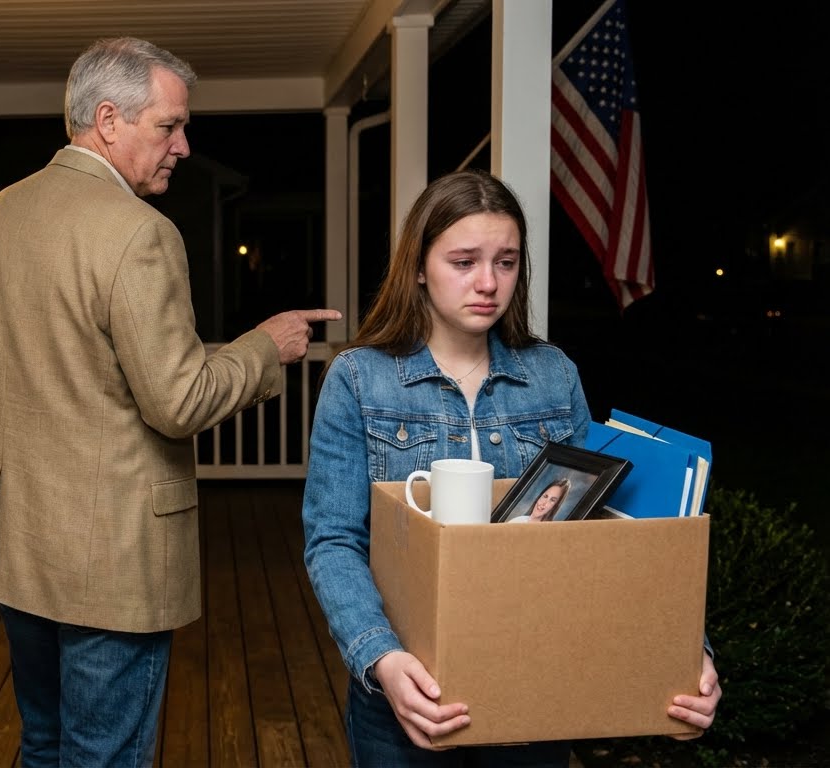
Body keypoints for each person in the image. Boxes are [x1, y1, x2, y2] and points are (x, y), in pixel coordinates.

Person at [0, 36, 340, 767]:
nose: (183, 146)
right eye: (169, 125)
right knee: (104, 756)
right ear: (108, 120)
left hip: (16, 542)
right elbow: (179, 401)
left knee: (44, 743)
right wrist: (265, 347)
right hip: (109, 556)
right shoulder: (138, 232)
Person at [301, 169, 720, 765]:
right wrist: (382, 658)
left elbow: (609, 532)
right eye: (463, 261)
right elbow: (334, 540)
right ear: (418, 265)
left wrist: (683, 652)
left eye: (506, 262)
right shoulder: (358, 379)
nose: (488, 283)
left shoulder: (552, 374)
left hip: (533, 675)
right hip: (409, 687)